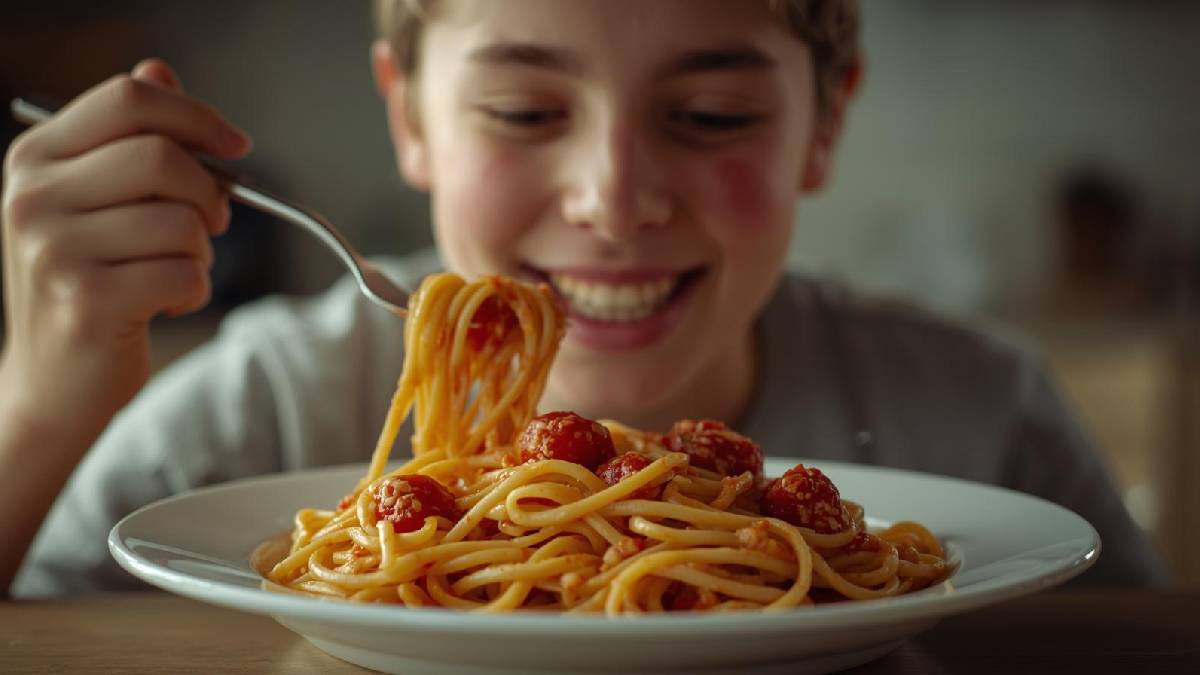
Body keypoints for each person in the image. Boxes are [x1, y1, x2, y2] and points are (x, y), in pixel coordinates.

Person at [0, 0, 1170, 596]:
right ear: (409, 117)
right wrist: (41, 405)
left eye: (712, 116)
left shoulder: (989, 419)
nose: (615, 201)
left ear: (827, 126)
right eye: (524, 113)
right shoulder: (240, 416)